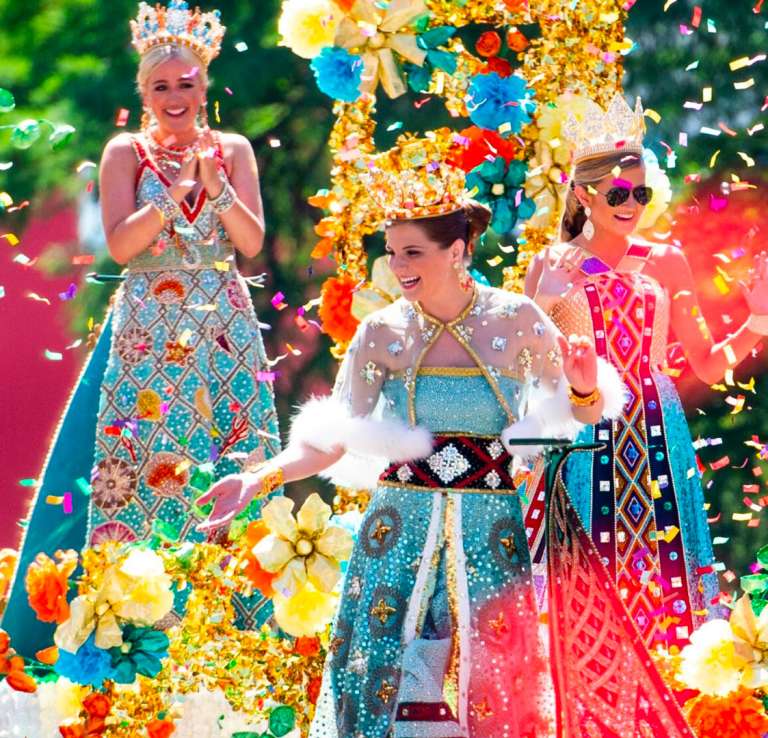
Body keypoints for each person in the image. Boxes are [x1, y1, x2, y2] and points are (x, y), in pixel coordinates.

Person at [194, 142, 664, 738]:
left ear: (460, 250)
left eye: (413, 252)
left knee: (494, 684)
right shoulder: (382, 330)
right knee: (376, 686)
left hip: (489, 530)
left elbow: (568, 423)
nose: (399, 268)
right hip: (396, 530)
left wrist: (582, 390)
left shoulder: (517, 320)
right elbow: (334, 439)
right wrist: (260, 477)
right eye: (392, 254)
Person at [3, 0, 281, 654]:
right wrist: (175, 187)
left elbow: (250, 239)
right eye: (162, 87)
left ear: (205, 87)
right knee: (142, 462)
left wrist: (218, 191)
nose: (176, 96)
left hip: (220, 324)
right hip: (149, 326)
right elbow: (123, 246)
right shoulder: (124, 151)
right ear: (144, 94)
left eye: (187, 84)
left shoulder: (234, 150)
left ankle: (240, 632)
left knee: (229, 450)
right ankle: (131, 627)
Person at [525, 93, 768, 650]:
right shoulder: (549, 264)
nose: (631, 203)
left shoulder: (667, 260)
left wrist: (757, 321)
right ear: (584, 194)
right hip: (581, 431)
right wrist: (543, 302)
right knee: (584, 563)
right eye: (617, 193)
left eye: (641, 192)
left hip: (658, 430)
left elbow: (705, 362)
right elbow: (524, 371)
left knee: (665, 569)